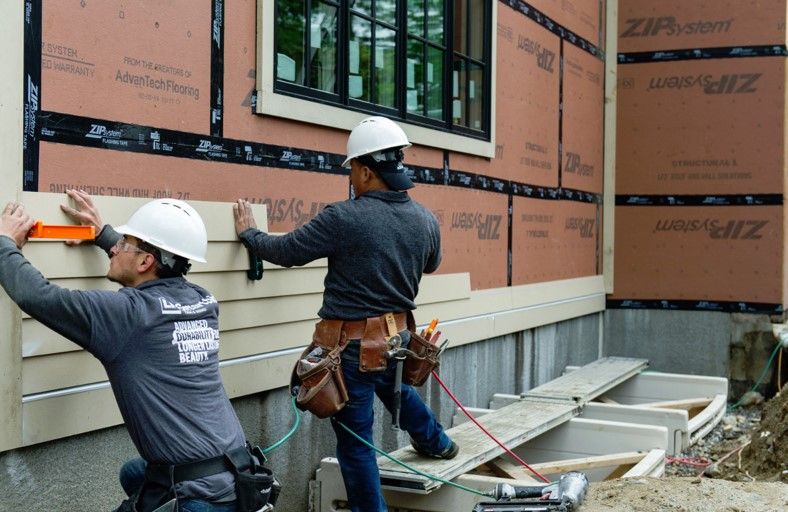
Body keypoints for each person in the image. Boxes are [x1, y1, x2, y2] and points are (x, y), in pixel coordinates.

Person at [233, 116, 458, 512]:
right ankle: (438, 442)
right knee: (396, 387)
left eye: (352, 169)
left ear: (367, 170)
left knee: (356, 444)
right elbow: (432, 264)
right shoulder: (425, 219)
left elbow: (287, 253)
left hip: (352, 349)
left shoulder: (344, 218)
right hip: (398, 339)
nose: (351, 177)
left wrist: (250, 234)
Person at [0, 192, 274, 512]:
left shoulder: (128, 315)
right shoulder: (202, 301)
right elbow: (156, 269)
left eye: (124, 242)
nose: (115, 247)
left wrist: (5, 241)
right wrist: (105, 235)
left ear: (145, 261)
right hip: (236, 472)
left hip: (199, 496)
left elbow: (40, 297)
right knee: (133, 473)